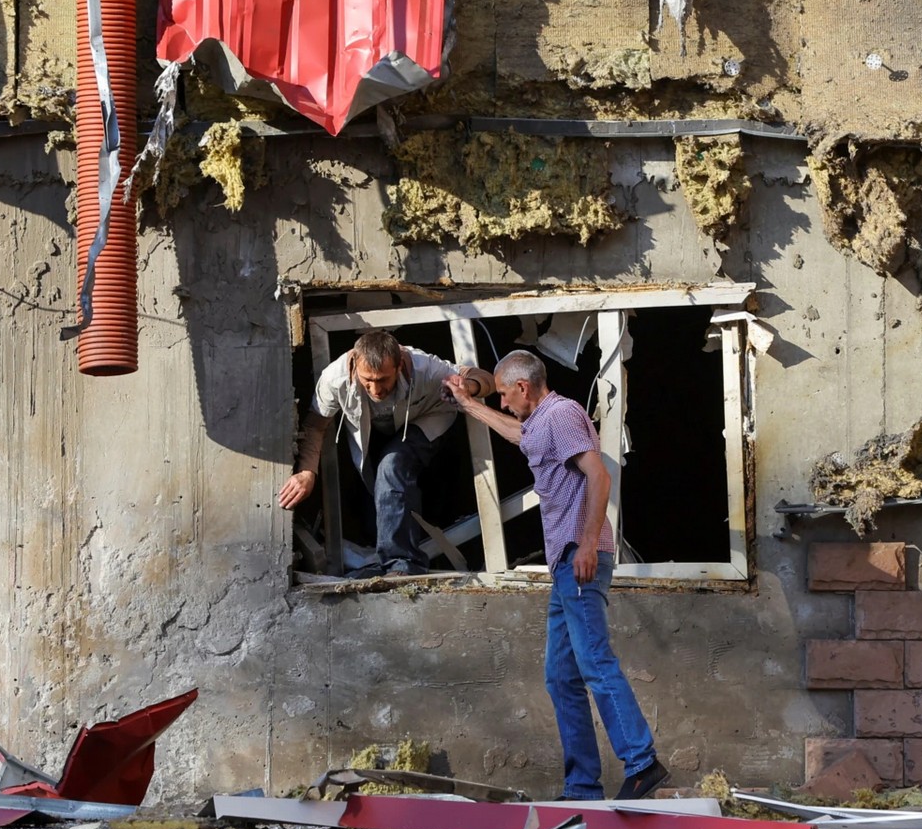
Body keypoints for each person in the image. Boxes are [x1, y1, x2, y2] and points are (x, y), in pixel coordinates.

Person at [446, 349, 668, 801]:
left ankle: (643, 763)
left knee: (594, 662)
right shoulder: (541, 421)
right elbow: (518, 434)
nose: (504, 403)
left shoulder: (563, 414)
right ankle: (583, 785)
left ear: (524, 388)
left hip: (579, 555)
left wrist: (588, 544)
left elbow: (599, 477)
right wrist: (470, 404)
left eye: (506, 395)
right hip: (565, 564)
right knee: (560, 676)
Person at [281, 330, 493, 578]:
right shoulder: (335, 377)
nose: (375, 388)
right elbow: (316, 425)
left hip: (426, 419)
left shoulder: (425, 368)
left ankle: (403, 566)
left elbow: (485, 378)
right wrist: (308, 472)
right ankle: (383, 560)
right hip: (376, 431)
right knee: (374, 501)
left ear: (399, 365)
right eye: (367, 380)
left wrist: (467, 386)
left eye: (383, 379)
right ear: (354, 367)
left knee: (392, 464)